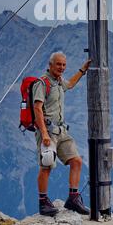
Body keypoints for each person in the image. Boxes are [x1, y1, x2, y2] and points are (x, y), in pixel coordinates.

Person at [33, 51, 91, 216]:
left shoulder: (58, 82)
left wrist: (82, 70)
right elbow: (37, 108)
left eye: (64, 65)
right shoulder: (42, 83)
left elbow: (70, 84)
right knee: (46, 166)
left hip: (61, 130)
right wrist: (44, 133)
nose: (62, 67)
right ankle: (43, 203)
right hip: (48, 132)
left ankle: (73, 199)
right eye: (58, 64)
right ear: (50, 65)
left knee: (77, 161)